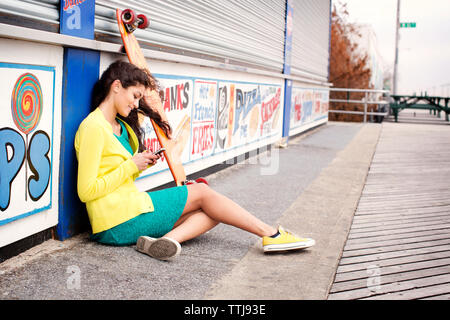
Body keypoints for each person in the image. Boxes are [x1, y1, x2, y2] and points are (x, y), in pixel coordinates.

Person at [74, 60, 315, 261]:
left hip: (130, 208)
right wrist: (130, 166)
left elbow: (119, 175)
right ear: (116, 86)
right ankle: (270, 234)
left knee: (214, 209)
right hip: (115, 221)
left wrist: (140, 164)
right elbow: (86, 191)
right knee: (204, 194)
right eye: (135, 96)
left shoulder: (120, 127)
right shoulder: (93, 128)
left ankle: (165, 242)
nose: (136, 104)